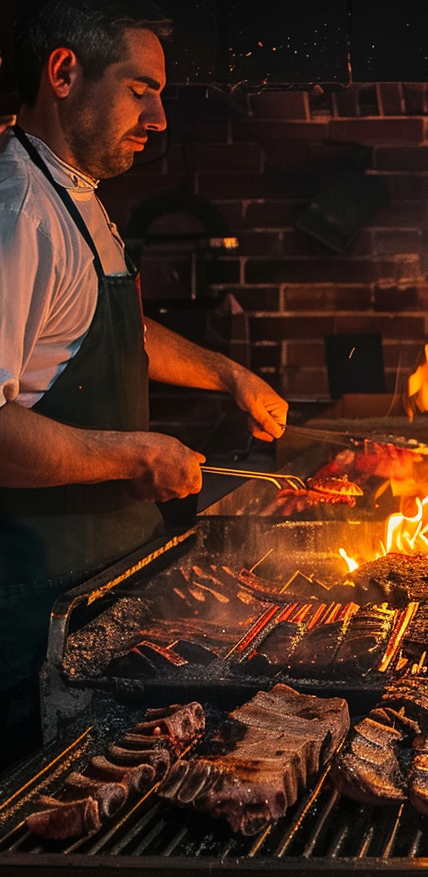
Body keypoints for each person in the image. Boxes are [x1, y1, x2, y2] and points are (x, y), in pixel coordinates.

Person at [0, 0, 287, 764]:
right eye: (141, 89)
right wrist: (136, 456)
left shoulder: (73, 193)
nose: (159, 118)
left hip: (107, 594)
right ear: (64, 73)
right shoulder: (19, 211)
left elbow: (104, 324)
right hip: (36, 621)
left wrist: (226, 376)